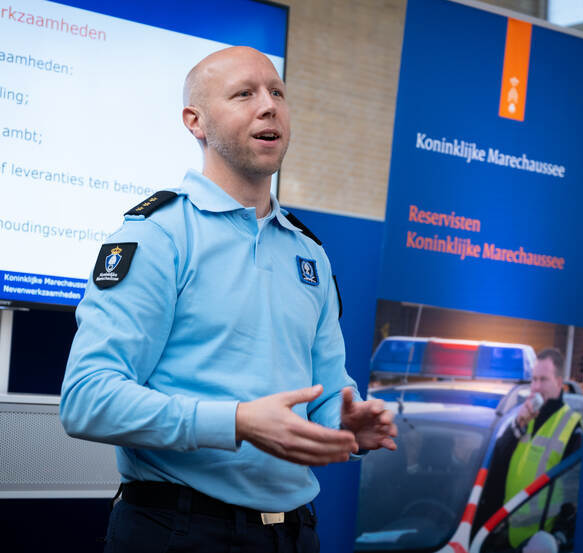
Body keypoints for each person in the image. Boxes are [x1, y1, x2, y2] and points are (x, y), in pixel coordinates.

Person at [60, 46, 398, 553]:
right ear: (194, 121)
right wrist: (236, 422)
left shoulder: (309, 254)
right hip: (180, 531)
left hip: (295, 534)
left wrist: (345, 423)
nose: (269, 106)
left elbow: (328, 392)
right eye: (244, 94)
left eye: (277, 92)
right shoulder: (158, 236)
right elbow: (87, 399)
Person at [474, 348, 582, 550]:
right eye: (534, 379)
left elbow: (573, 496)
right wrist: (518, 424)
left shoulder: (571, 428)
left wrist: (556, 538)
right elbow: (497, 463)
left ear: (559, 383)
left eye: (544, 380)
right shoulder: (525, 416)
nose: (536, 387)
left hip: (539, 543)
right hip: (504, 536)